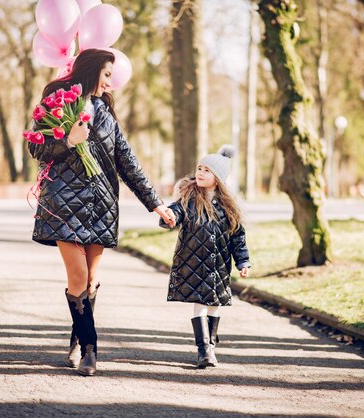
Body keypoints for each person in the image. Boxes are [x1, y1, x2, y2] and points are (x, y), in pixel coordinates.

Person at [27, 49, 175, 376]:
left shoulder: (106, 114)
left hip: (101, 204)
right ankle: (91, 350)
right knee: (78, 276)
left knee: (92, 281)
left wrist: (156, 203)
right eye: (107, 75)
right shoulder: (57, 100)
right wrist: (68, 139)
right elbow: (36, 147)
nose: (111, 82)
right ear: (92, 70)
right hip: (63, 202)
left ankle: (78, 338)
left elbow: (127, 162)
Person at [159, 145, 250, 368]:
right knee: (199, 303)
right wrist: (168, 217)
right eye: (199, 168)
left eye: (206, 170)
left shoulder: (229, 207)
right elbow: (175, 213)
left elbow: (237, 236)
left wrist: (243, 261)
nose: (200, 173)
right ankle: (204, 350)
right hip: (192, 262)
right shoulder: (189, 199)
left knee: (214, 304)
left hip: (218, 265)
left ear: (218, 178)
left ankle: (211, 346)